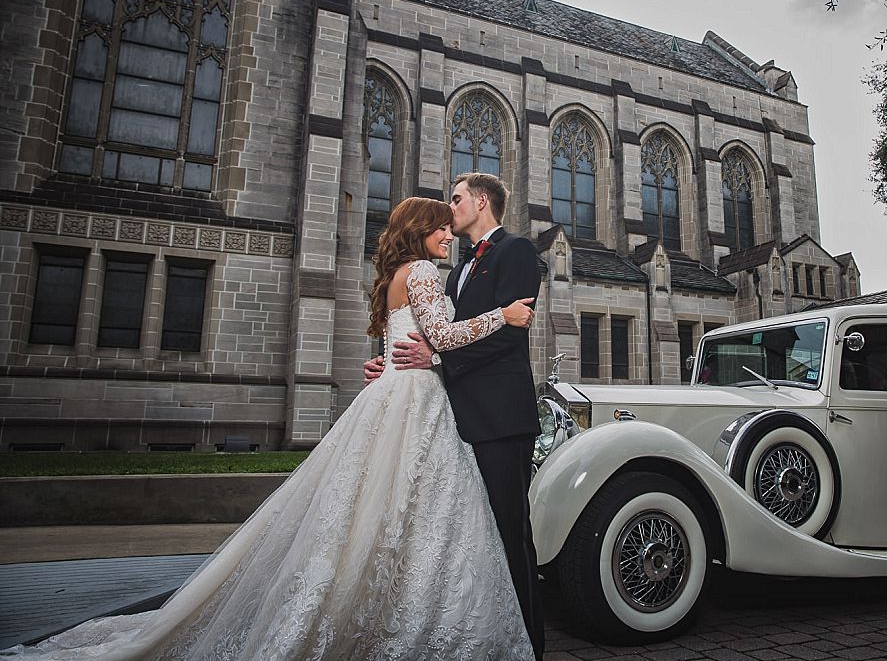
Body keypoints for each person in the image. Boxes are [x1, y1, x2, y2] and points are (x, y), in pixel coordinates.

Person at [5, 197, 536, 660]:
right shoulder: (422, 272)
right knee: (409, 508)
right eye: (440, 226)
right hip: (415, 402)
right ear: (420, 230)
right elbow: (440, 333)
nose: (448, 233)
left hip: (399, 394)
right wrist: (503, 315)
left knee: (379, 507)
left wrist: (393, 364)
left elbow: (412, 344)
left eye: (452, 220)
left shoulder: (400, 275)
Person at [365, 172, 545, 659]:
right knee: (467, 534)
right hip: (453, 416)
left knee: (510, 531)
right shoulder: (456, 268)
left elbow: (511, 333)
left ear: (482, 201)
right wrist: (396, 363)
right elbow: (438, 332)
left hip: (500, 417)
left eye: (458, 198)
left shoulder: (517, 252)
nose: (451, 208)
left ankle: (527, 640)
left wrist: (436, 358)